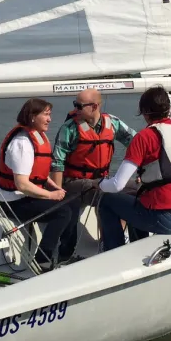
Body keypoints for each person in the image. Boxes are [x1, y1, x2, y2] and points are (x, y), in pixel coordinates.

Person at [96, 86, 171, 251]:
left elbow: (117, 185)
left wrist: (101, 184)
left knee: (107, 201)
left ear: (144, 112)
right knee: (138, 201)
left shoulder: (144, 137)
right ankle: (138, 248)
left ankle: (113, 253)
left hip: (168, 220)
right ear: (169, 109)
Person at [0, 98, 75, 269]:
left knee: (72, 202)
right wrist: (51, 195)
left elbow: (37, 173)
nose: (49, 119)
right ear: (32, 116)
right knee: (63, 213)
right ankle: (42, 260)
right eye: (45, 115)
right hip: (14, 202)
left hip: (27, 197)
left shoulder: (36, 137)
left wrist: (54, 186)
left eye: (50, 114)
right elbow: (22, 184)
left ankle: (65, 254)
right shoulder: (22, 143)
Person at [49, 89, 137, 242]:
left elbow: (136, 144)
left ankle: (121, 237)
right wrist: (57, 195)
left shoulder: (113, 123)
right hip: (74, 184)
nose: (75, 109)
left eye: (79, 106)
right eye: (75, 105)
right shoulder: (69, 128)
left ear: (95, 106)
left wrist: (143, 171)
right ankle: (110, 242)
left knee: (138, 189)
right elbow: (57, 162)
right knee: (111, 195)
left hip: (101, 180)